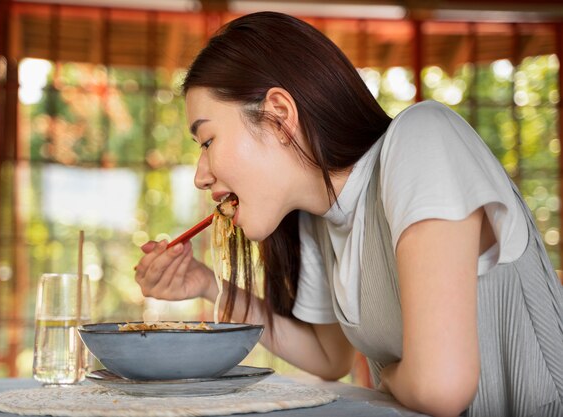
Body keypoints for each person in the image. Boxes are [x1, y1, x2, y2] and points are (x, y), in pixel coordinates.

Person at [134, 11, 563, 417]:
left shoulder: (423, 139)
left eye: (207, 141)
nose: (200, 176)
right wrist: (209, 285)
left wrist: (387, 377)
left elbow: (440, 387)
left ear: (278, 115)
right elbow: (328, 357)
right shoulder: (320, 216)